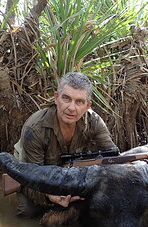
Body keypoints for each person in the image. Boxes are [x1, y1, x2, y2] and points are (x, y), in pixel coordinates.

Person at [14, 72, 117, 218]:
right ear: (56, 98)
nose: (71, 108)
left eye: (79, 102)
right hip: (34, 172)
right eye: (66, 98)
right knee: (28, 211)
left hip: (74, 176)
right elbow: (30, 177)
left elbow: (114, 159)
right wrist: (51, 196)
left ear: (88, 105)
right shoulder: (35, 128)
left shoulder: (95, 122)